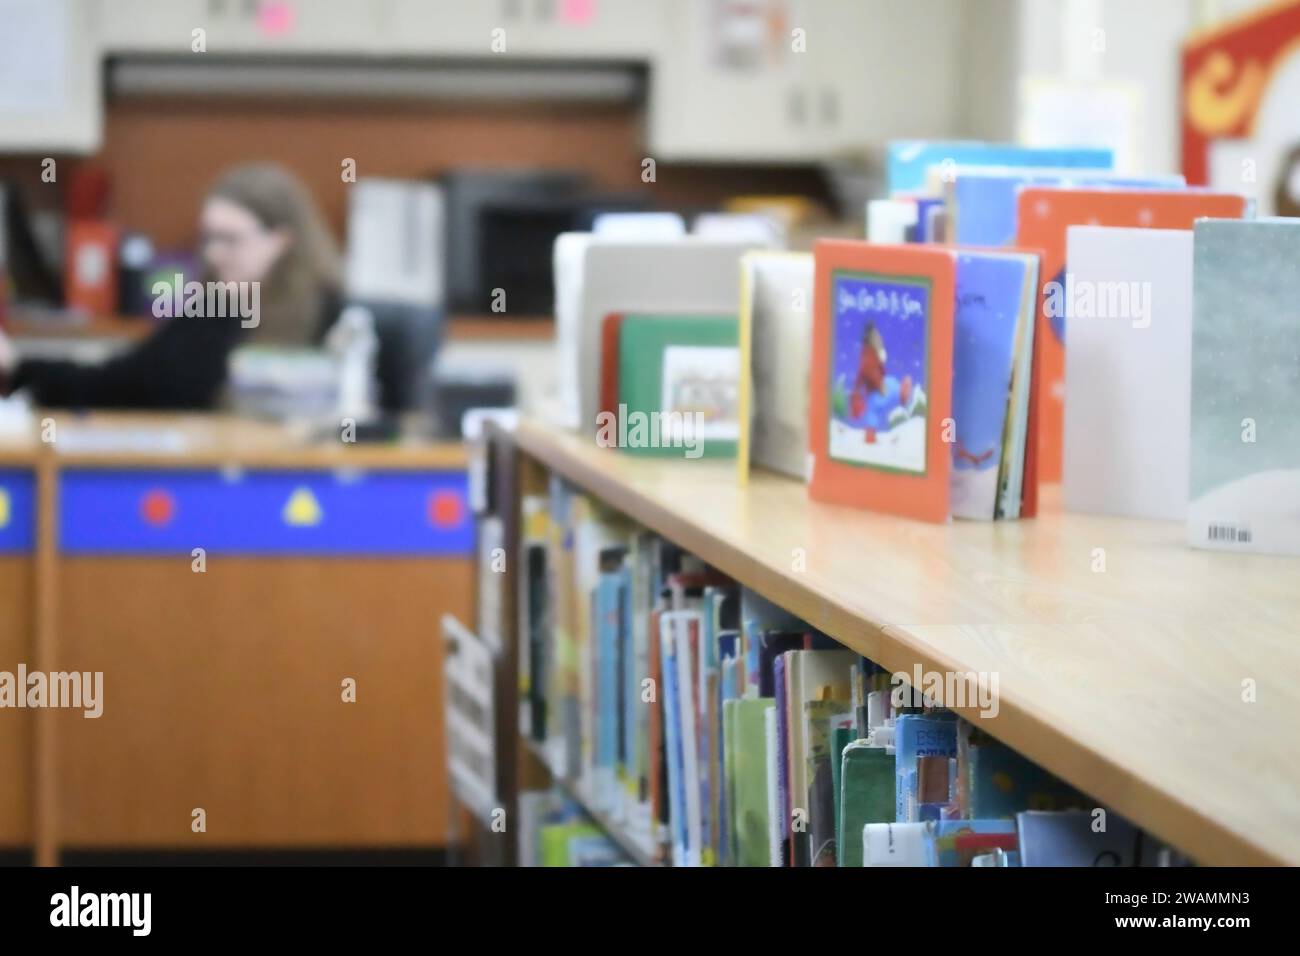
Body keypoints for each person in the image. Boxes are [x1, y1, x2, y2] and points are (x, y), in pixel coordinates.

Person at [0, 163, 341, 409]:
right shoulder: (213, 310)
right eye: (209, 239)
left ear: (280, 240)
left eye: (230, 239)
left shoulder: (332, 315)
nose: (214, 253)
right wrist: (20, 365)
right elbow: (124, 383)